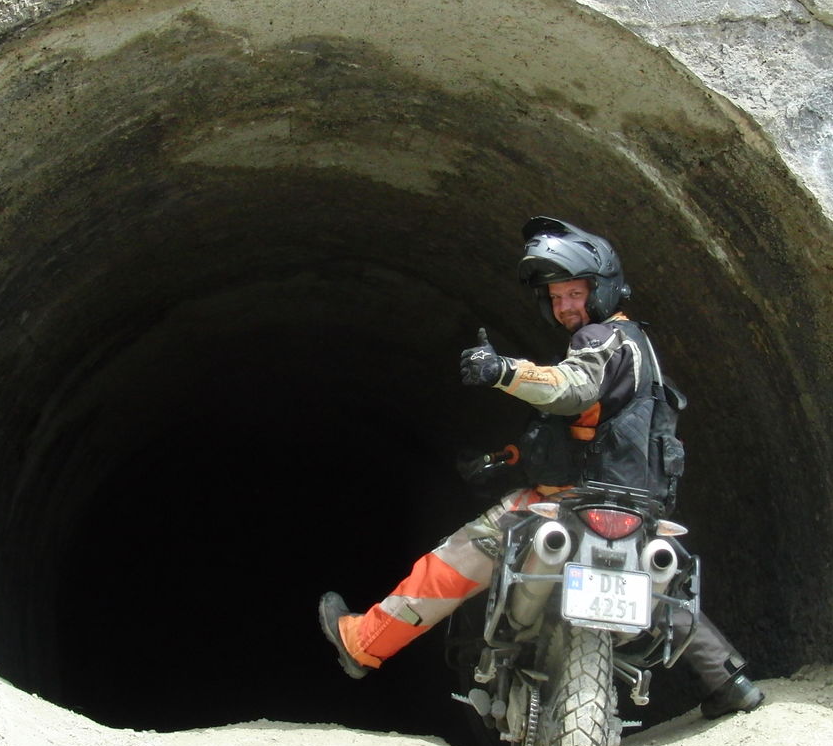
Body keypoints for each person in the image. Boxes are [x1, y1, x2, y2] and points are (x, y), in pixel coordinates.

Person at [318, 216, 762, 719]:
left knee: (458, 556)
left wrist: (502, 370)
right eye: (555, 297)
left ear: (602, 289)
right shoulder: (639, 347)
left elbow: (572, 389)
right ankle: (730, 681)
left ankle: (365, 642)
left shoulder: (600, 338)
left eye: (574, 293)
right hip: (636, 505)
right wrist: (506, 458)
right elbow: (589, 431)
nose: (565, 306)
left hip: (574, 502)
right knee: (660, 583)